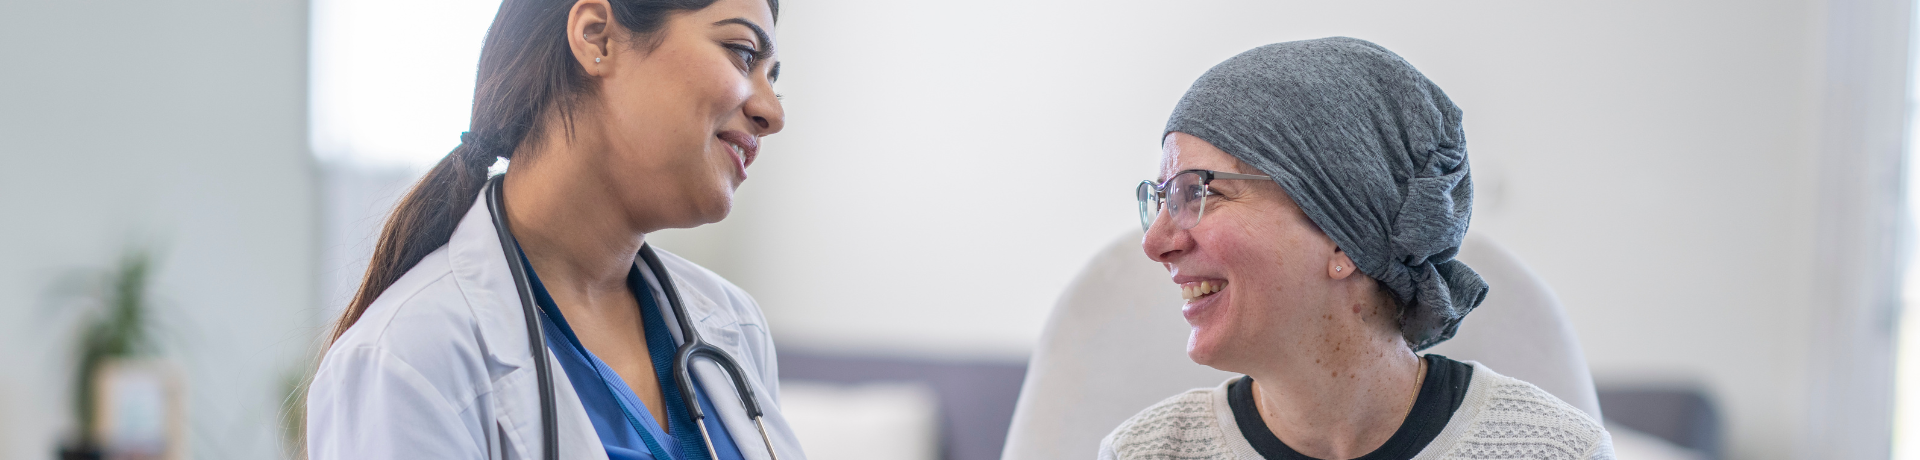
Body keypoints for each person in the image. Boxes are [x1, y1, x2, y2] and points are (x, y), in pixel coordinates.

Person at [305, 0, 800, 458]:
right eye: (742, 54)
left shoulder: (735, 327)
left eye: (773, 79)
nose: (772, 113)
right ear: (596, 37)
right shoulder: (408, 360)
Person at [1102, 37, 1613, 460]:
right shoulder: (1144, 453)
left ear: (1342, 235)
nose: (1156, 243)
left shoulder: (1553, 451)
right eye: (1162, 199)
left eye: (1199, 192)